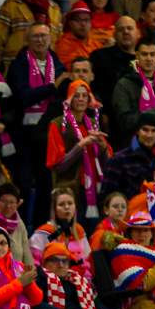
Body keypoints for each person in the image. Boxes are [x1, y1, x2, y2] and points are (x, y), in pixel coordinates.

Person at [46, 78, 110, 221]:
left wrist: (102, 146)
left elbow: (107, 162)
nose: (81, 99)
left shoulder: (93, 124)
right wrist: (80, 146)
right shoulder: (57, 124)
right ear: (69, 99)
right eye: (76, 95)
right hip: (69, 191)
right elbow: (58, 166)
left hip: (94, 188)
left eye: (84, 95)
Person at [35, 241, 129, 309]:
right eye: (55, 260)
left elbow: (100, 308)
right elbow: (35, 304)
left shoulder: (79, 281)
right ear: (44, 263)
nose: (61, 265)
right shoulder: (40, 278)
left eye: (65, 261)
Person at [110, 39, 155, 147]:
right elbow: (124, 122)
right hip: (133, 146)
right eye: (144, 54)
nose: (148, 58)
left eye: (152, 54)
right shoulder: (124, 85)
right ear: (136, 55)